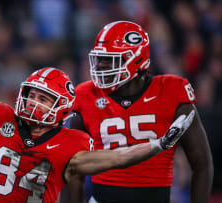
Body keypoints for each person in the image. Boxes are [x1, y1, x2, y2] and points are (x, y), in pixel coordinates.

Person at [0, 13, 195, 203]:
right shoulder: (1, 120)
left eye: (43, 97)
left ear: (61, 107)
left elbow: (115, 158)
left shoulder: (70, 144)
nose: (34, 101)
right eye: (32, 94)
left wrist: (158, 145)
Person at [70, 21, 214, 203]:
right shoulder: (85, 95)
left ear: (135, 59)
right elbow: (73, 170)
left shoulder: (170, 92)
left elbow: (202, 163)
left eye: (109, 59)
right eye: (99, 59)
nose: (100, 66)